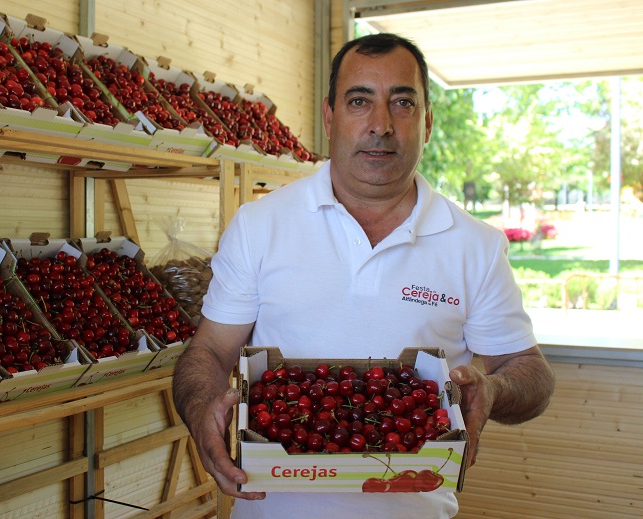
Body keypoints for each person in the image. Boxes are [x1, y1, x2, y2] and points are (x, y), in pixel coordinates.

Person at [173, 32, 555, 518]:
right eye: (360, 101)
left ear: (428, 122)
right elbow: (208, 351)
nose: (381, 125)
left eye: (402, 102)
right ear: (330, 118)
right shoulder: (260, 226)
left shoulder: (474, 245)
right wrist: (201, 406)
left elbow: (530, 370)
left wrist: (495, 389)